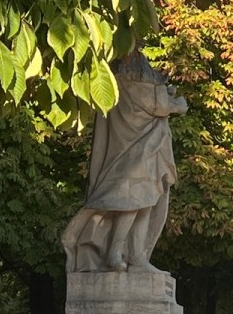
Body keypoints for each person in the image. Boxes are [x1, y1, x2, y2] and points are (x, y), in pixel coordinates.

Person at [62, 50, 189, 273]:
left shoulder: (125, 77)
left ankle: (136, 257)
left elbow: (152, 99)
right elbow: (155, 103)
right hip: (137, 150)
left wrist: (165, 96)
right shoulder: (126, 76)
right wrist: (177, 103)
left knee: (146, 201)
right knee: (133, 201)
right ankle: (116, 253)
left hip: (146, 148)